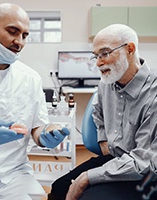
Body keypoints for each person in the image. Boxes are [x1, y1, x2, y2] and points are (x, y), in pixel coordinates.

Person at [0, 3, 70, 200]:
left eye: (25, 35)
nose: (19, 41)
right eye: (12, 31)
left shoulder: (30, 78)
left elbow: (37, 126)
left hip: (14, 176)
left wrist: (45, 134)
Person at [48, 24, 156, 200]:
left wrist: (86, 178)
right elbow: (97, 113)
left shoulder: (153, 93)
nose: (98, 62)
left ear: (130, 49)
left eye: (105, 53)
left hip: (146, 172)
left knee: (89, 196)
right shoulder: (106, 83)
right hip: (115, 159)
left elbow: (144, 161)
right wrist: (103, 138)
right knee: (59, 187)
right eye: (96, 56)